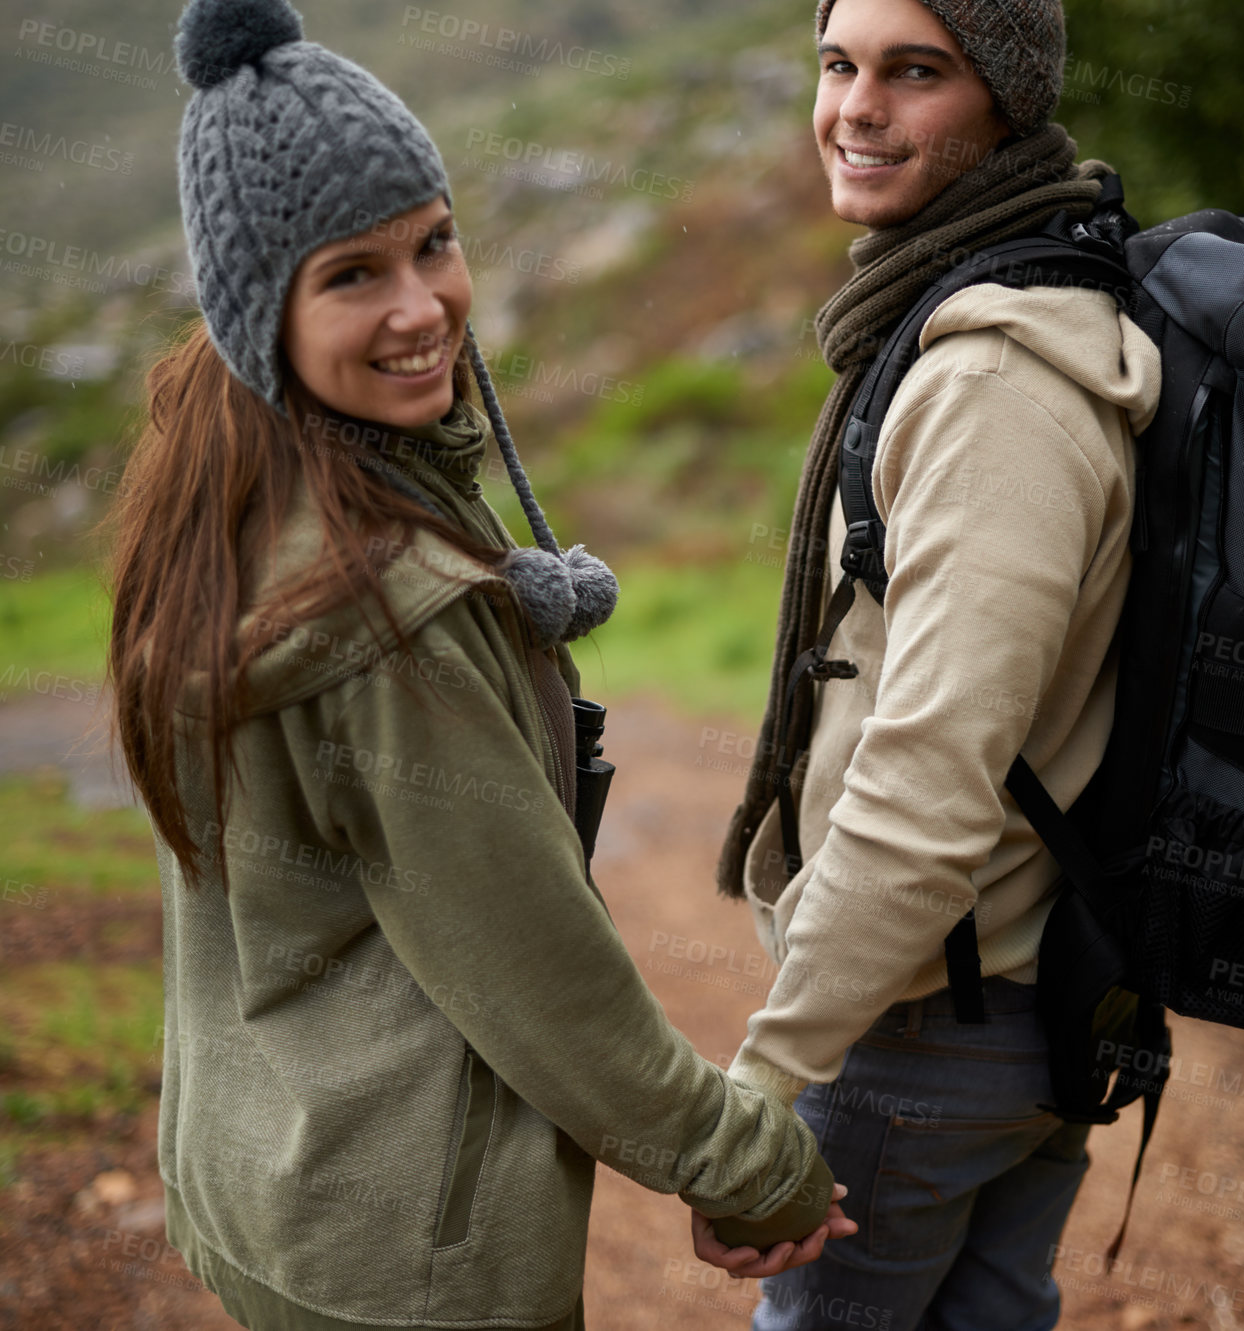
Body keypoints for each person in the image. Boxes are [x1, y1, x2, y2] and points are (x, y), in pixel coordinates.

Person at [107, 2, 852, 1327]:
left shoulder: (224, 491)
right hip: (407, 1260)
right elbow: (536, 964)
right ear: (253, 310)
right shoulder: (383, 609)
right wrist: (750, 1169)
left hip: (278, 1195)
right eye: (351, 276)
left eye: (433, 244)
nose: (421, 308)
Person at [716, 0, 1162, 1326]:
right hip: (1035, 993)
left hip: (932, 1028)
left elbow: (930, 780)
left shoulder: (990, 387)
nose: (853, 107)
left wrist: (761, 1083)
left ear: (1005, 102)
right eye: (837, 64)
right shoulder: (1051, 293)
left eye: (915, 72)